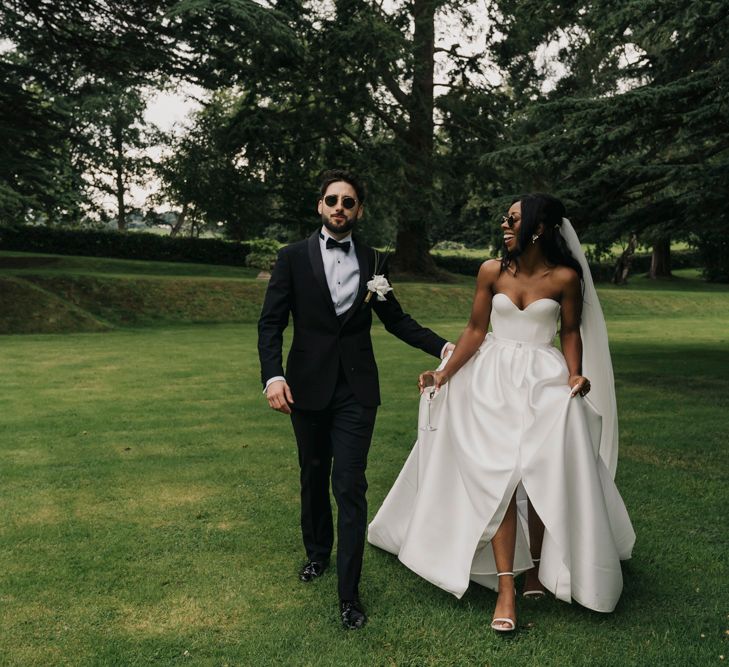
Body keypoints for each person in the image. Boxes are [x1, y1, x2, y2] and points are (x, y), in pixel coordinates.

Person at [367, 193, 635, 632]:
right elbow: (475, 330)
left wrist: (575, 376)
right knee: (503, 477)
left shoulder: (565, 277)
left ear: (538, 228)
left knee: (541, 471)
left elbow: (569, 332)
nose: (504, 225)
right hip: (491, 381)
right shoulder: (491, 271)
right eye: (505, 219)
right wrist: (445, 374)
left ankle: (536, 568)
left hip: (544, 381)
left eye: (512, 219)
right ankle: (507, 588)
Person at [258, 169, 452, 629]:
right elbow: (271, 324)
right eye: (332, 200)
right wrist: (273, 377)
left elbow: (397, 320)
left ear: (358, 210)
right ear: (320, 207)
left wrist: (447, 348)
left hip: (357, 391)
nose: (339, 208)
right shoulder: (291, 258)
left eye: (348, 202)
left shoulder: (374, 261)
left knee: (349, 484)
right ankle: (317, 553)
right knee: (313, 473)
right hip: (305, 387)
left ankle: (349, 595)